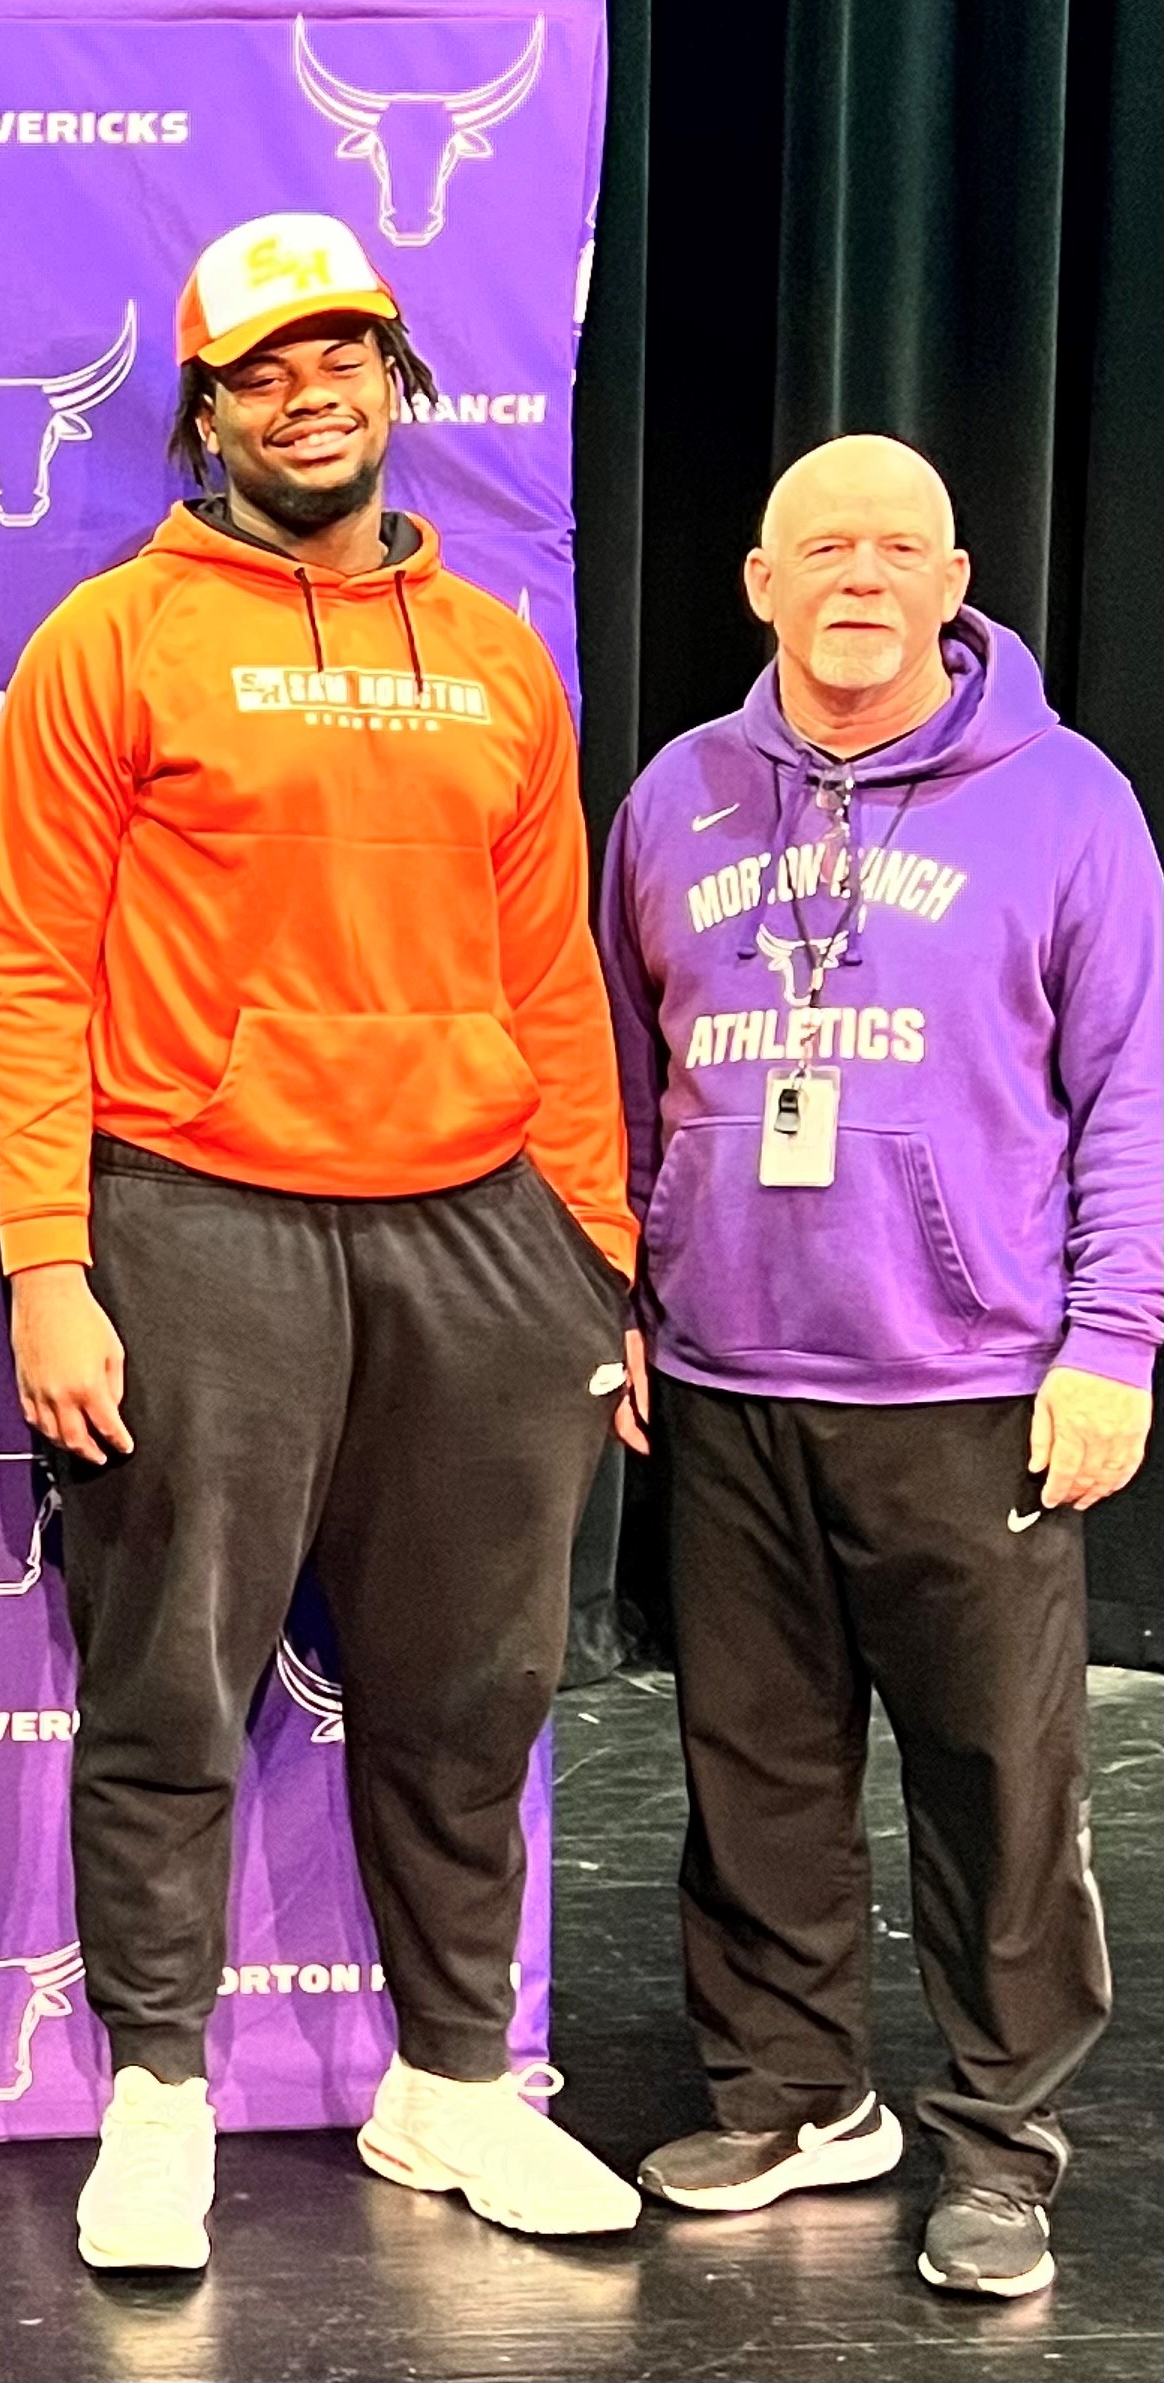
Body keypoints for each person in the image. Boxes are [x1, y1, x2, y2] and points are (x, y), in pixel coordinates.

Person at [0, 213, 641, 2271]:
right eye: (265, 366)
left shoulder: (499, 655)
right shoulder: (114, 640)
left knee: (471, 1684)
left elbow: (552, 985)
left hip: (476, 1230)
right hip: (199, 1215)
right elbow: (26, 968)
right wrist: (47, 1262)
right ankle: (153, 2094)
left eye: (343, 352)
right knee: (168, 1687)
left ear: (394, 384)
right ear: (207, 410)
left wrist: (596, 1268)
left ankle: (449, 2086)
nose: (310, 390)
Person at [600, 434, 1152, 2300]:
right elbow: (617, 1068)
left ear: (955, 578)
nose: (858, 577)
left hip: (973, 1380)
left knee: (999, 1788)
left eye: (895, 548)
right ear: (755, 582)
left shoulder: (1069, 805)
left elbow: (1131, 1098)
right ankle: (795, 2094)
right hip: (732, 1371)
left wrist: (1115, 1339)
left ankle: (1002, 2146)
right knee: (749, 1765)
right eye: (820, 546)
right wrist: (623, 1289)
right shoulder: (679, 797)